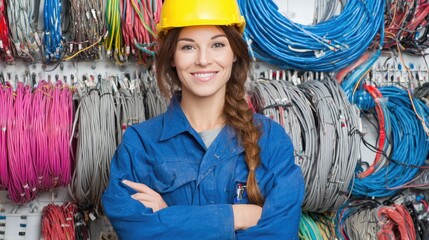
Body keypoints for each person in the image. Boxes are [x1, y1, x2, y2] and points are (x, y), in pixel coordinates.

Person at [102, 0, 305, 239]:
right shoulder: (140, 145)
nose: (203, 60)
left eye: (217, 44)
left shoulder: (270, 139)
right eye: (188, 47)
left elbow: (280, 232)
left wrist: (170, 217)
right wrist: (236, 216)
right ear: (172, 58)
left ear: (234, 55)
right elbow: (135, 230)